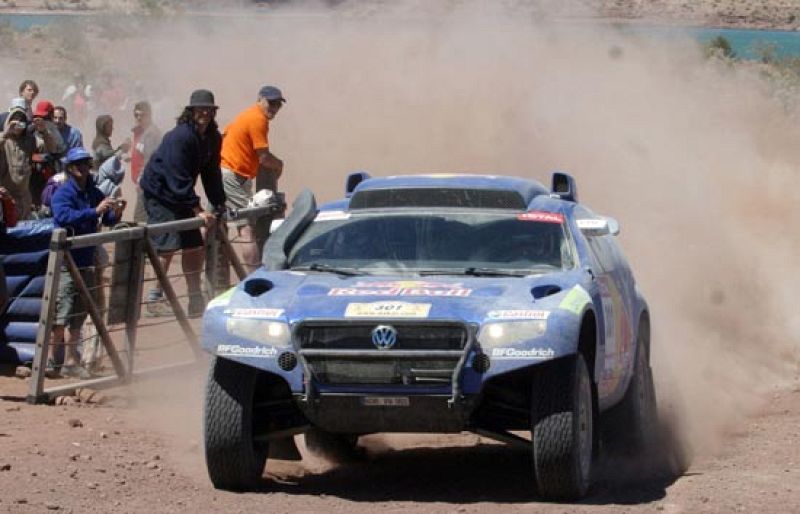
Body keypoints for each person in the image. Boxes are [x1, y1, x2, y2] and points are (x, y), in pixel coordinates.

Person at [138, 89, 226, 318]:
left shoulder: (212, 138)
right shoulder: (180, 137)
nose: (205, 113)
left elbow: (211, 173)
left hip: (181, 194)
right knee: (166, 245)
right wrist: (197, 209)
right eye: (201, 109)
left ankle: (195, 297)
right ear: (191, 111)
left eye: (209, 109)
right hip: (160, 193)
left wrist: (219, 203)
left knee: (193, 245)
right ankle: (154, 298)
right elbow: (176, 176)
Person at [49, 147, 125, 378]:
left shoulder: (92, 191)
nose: (84, 168)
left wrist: (116, 211)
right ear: (70, 168)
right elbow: (63, 217)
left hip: (86, 261)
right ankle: (51, 361)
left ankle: (71, 360)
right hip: (66, 262)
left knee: (79, 314)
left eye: (86, 163)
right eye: (79, 164)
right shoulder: (63, 193)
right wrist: (94, 211)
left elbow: (106, 218)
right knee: (61, 312)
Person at [220, 85, 285, 271]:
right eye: (271, 103)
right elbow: (263, 157)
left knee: (215, 224)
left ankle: (214, 277)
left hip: (226, 173)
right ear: (260, 100)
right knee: (246, 227)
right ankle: (254, 277)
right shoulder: (258, 119)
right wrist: (279, 165)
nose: (274, 108)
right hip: (233, 176)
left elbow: (225, 135)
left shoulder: (246, 115)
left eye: (278, 104)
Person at [0, 101, 59, 219]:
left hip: (23, 196)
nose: (18, 125)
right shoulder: (4, 139)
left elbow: (52, 148)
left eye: (21, 122)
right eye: (15, 121)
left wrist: (44, 131)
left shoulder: (30, 140)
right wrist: (6, 133)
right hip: (4, 194)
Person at [29, 101, 66, 215]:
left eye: (44, 117)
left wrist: (44, 132)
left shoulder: (53, 131)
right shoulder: (30, 130)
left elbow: (56, 150)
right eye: (37, 117)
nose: (40, 120)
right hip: (33, 174)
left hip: (50, 172)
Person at [129, 101, 162, 223]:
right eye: (136, 115)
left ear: (149, 115)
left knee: (140, 218)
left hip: (146, 182)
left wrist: (142, 181)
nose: (138, 118)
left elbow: (150, 160)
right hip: (142, 181)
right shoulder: (141, 131)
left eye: (142, 115)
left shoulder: (151, 134)